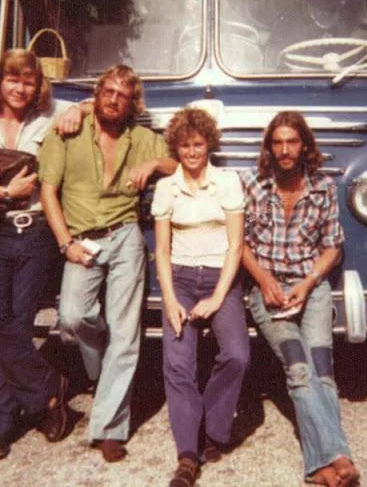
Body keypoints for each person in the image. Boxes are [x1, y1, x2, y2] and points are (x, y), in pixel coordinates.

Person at [0, 48, 88, 460]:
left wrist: (79, 110)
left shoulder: (48, 115)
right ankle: (47, 391)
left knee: (17, 323)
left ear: (37, 85)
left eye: (29, 81)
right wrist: (3, 192)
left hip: (37, 234)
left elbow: (98, 99)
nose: (21, 88)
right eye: (13, 79)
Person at [39, 64, 177, 462]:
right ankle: (102, 375)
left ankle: (110, 428)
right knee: (72, 317)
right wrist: (66, 244)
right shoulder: (66, 132)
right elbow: (49, 193)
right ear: (96, 96)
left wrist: (152, 166)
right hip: (81, 241)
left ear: (132, 104)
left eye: (122, 94)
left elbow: (176, 163)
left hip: (126, 238)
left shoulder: (143, 138)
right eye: (107, 92)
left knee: (125, 333)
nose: (113, 99)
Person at [240, 111, 360, 487]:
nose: (285, 150)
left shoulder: (323, 188)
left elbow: (332, 247)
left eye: (292, 142)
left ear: (304, 145)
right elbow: (237, 244)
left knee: (322, 368)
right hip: (267, 290)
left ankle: (321, 464)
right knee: (298, 367)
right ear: (269, 148)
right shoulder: (252, 184)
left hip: (310, 287)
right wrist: (264, 280)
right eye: (277, 143)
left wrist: (307, 284)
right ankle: (337, 458)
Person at [151, 108, 250, 487]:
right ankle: (187, 456)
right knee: (178, 365)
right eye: (184, 145)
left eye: (198, 144)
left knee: (237, 354)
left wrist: (218, 296)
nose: (192, 152)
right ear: (176, 147)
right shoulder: (166, 188)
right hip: (180, 279)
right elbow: (161, 251)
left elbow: (236, 245)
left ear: (208, 144)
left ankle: (214, 429)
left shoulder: (226, 182)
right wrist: (170, 299)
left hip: (219, 278)